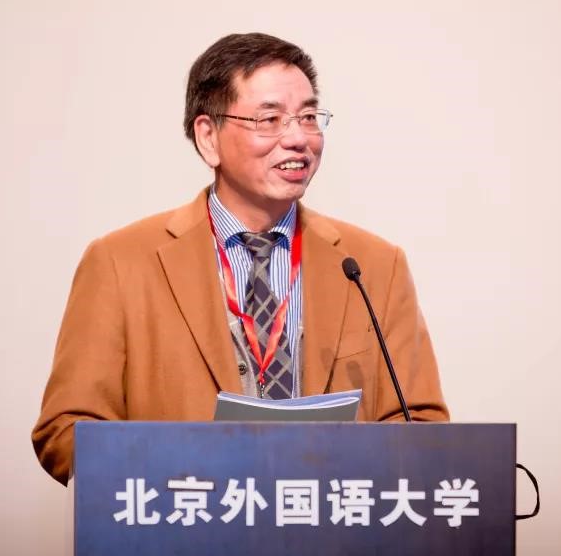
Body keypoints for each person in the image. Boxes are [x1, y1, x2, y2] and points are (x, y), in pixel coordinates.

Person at [32, 33, 448, 485]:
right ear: (208, 137)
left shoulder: (373, 265)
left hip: (330, 525)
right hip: (184, 521)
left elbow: (421, 424)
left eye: (308, 117)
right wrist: (188, 474)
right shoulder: (120, 263)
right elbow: (66, 432)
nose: (298, 138)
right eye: (270, 119)